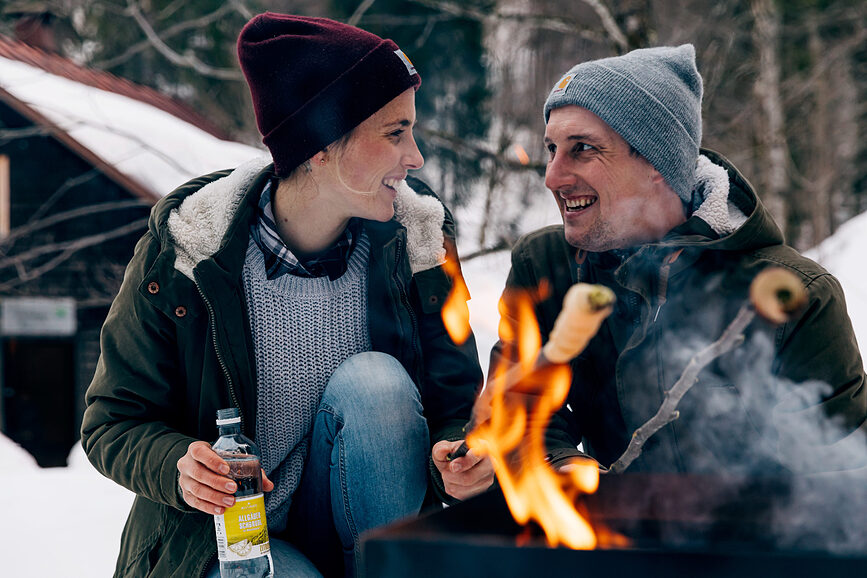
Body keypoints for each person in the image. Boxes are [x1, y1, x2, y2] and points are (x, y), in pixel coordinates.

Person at [81, 13, 493, 578]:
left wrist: (459, 454)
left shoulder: (416, 245)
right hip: (226, 543)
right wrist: (177, 464)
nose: (415, 157)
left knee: (378, 381)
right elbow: (113, 421)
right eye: (395, 133)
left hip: (363, 530)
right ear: (320, 146)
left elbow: (457, 409)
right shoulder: (186, 252)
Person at [490, 45, 866, 478]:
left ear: (657, 162)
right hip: (598, 538)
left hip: (746, 542)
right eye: (551, 149)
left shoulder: (796, 296)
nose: (552, 176)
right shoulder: (547, 266)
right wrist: (571, 473)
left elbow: (837, 488)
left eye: (582, 149)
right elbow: (520, 414)